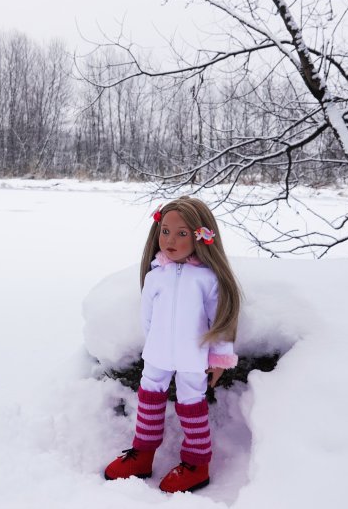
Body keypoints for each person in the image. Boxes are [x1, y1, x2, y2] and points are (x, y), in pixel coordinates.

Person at [103, 196, 241, 493]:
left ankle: (196, 463)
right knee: (149, 400)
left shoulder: (207, 280)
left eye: (182, 233)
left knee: (193, 405)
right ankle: (142, 453)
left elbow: (221, 321)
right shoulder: (156, 276)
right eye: (165, 231)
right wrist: (154, 345)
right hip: (157, 355)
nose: (170, 240)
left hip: (193, 357)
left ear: (201, 236)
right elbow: (148, 319)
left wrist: (219, 359)